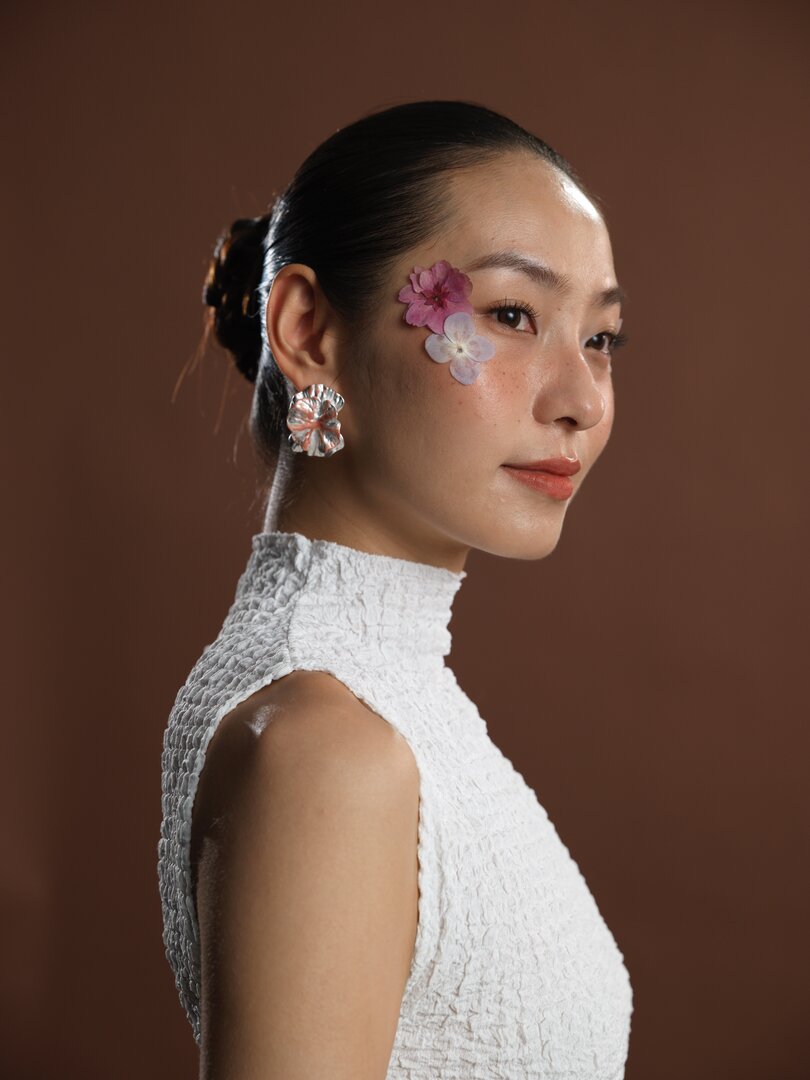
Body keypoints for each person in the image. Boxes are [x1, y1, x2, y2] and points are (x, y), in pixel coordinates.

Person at [158, 98, 633, 1079]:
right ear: (307, 330)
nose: (582, 402)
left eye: (600, 339)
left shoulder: (375, 702)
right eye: (511, 315)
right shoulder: (325, 746)